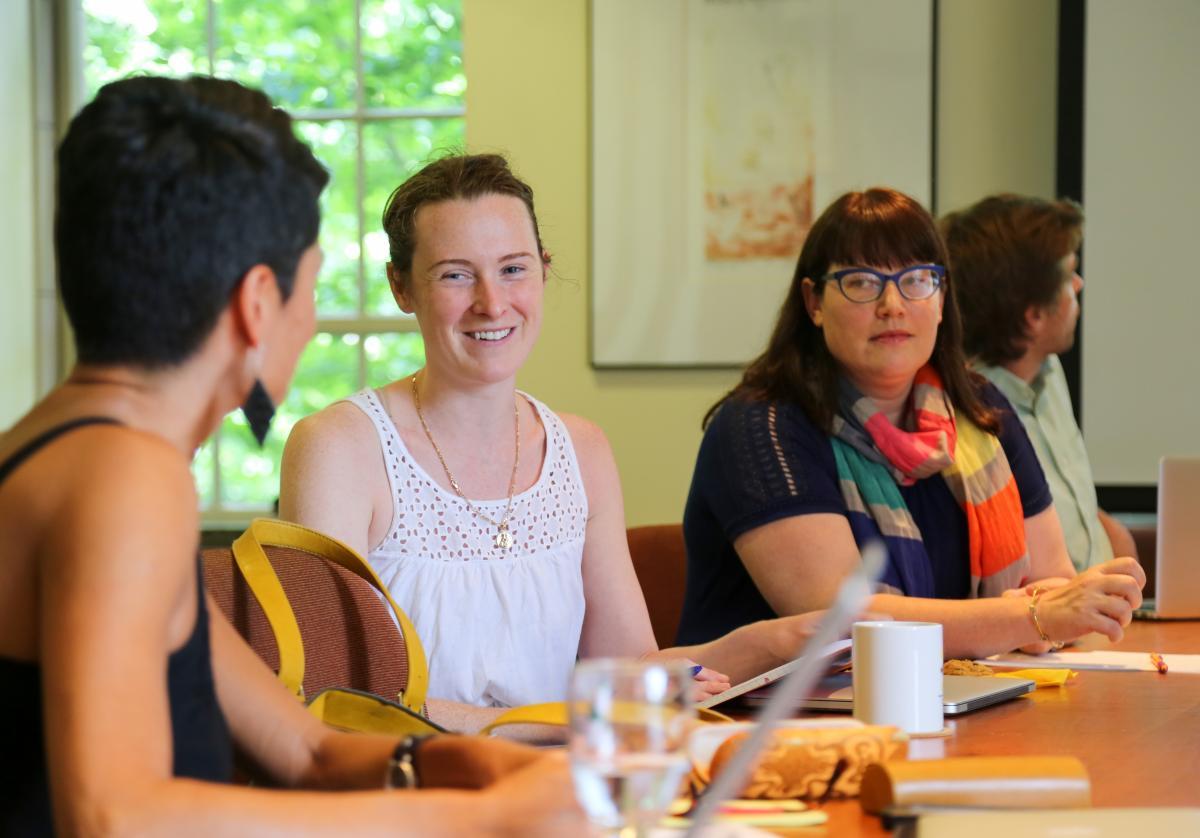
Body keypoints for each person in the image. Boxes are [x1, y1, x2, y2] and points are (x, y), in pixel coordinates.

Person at [0, 76, 584, 836]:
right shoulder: (126, 481)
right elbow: (116, 815)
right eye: (310, 291)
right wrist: (477, 819)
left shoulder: (62, 451)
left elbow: (305, 750)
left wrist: (470, 766)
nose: (307, 324)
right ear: (256, 305)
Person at [279, 153, 826, 732]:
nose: (492, 302)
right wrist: (573, 722)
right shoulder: (338, 447)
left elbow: (630, 668)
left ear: (543, 270)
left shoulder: (581, 450)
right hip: (406, 796)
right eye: (455, 274)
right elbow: (335, 695)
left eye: (513, 269)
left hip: (567, 793)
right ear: (401, 286)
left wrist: (774, 640)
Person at [675, 188, 1145, 659]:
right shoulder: (762, 429)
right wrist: (1030, 619)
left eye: (917, 280)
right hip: (779, 722)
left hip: (963, 700)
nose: (892, 305)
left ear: (941, 299)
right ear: (814, 301)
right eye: (862, 282)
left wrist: (1053, 612)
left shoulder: (981, 411)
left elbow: (1054, 581)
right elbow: (843, 621)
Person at [941, 194, 1137, 571]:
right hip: (1055, 621)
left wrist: (1107, 533)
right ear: (1033, 316)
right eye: (1068, 274)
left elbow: (1064, 495)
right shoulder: (972, 412)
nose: (1078, 284)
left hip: (1109, 611)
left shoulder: (1048, 368)